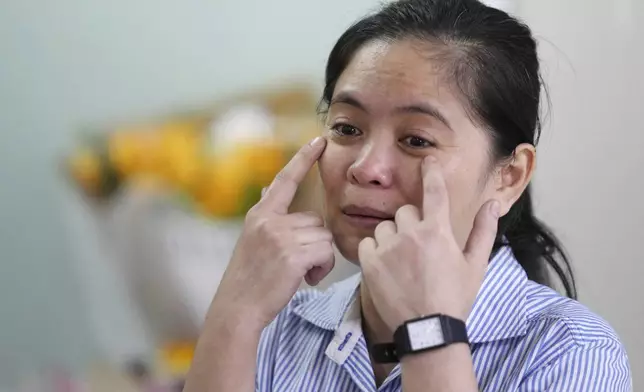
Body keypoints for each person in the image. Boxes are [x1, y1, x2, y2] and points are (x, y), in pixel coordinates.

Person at [183, 0, 632, 390]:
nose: (366, 168)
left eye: (417, 140)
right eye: (347, 128)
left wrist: (429, 332)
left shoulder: (570, 352)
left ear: (509, 175)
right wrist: (235, 311)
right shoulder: (283, 327)